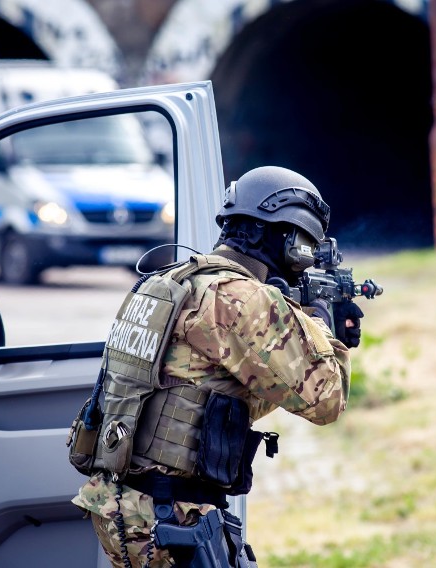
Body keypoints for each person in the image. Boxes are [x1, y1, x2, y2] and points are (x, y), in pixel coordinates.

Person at [71, 165, 364, 567]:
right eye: (299, 247)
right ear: (264, 233)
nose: (302, 263)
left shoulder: (168, 283)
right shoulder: (240, 298)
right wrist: (320, 328)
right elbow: (327, 399)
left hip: (122, 506)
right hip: (172, 516)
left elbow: (211, 393)